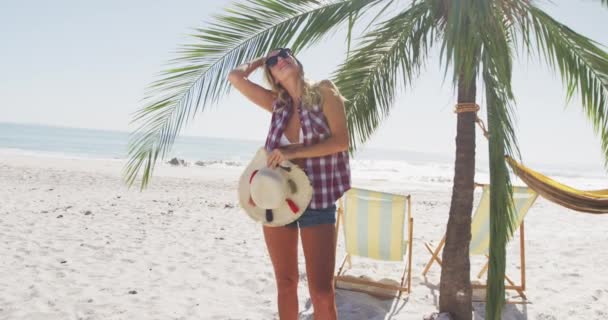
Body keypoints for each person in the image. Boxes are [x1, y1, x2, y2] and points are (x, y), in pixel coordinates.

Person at [228, 48, 351, 320]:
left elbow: (341, 141)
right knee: (285, 283)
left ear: (297, 61)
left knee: (321, 292)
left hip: (318, 199)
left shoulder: (324, 91)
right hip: (275, 199)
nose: (279, 60)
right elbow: (235, 77)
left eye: (284, 55)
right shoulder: (277, 103)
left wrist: (293, 151)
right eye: (274, 61)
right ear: (271, 74)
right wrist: (262, 60)